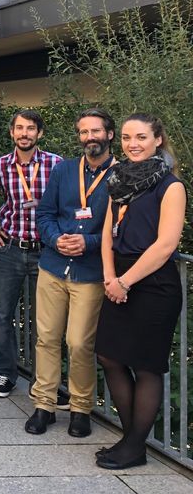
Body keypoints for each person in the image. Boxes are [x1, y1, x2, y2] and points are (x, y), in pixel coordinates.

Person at [94, 114, 185, 470]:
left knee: (146, 365)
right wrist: (108, 276)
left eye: (142, 137)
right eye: (128, 137)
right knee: (110, 357)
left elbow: (165, 245)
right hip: (117, 277)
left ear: (158, 139)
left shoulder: (171, 186)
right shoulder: (118, 180)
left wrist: (125, 281)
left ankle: (133, 446)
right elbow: (106, 233)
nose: (133, 143)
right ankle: (133, 441)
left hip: (153, 283)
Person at [28, 109, 116, 437]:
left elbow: (121, 228)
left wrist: (89, 241)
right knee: (47, 338)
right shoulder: (64, 170)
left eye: (96, 131)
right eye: (84, 132)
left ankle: (81, 407)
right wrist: (54, 238)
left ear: (109, 134)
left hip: (91, 271)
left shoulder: (121, 176)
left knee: (79, 342)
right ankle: (44, 405)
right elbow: (46, 213)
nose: (89, 137)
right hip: (53, 265)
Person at [0, 110, 61, 398]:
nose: (24, 133)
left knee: (47, 319)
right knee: (3, 314)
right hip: (10, 248)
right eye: (19, 128)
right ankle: (6, 373)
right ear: (11, 133)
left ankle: (44, 380)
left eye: (30, 128)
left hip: (47, 252)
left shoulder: (57, 165)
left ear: (39, 133)